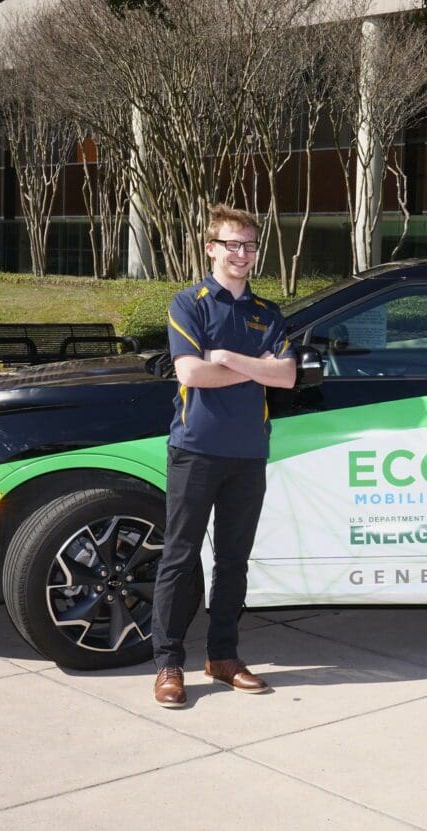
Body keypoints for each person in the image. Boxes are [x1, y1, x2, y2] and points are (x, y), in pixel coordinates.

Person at [151, 203, 296, 709]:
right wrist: (260, 367)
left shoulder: (267, 313)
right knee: (179, 557)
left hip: (248, 455)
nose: (241, 253)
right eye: (231, 244)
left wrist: (233, 360)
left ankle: (223, 657)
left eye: (250, 245)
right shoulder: (189, 303)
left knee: (233, 562)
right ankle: (169, 663)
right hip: (195, 451)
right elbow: (190, 373)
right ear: (211, 247)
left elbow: (288, 376)